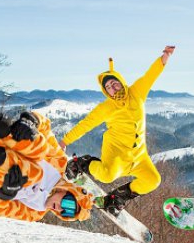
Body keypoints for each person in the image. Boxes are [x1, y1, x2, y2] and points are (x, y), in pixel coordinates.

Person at [0, 91, 93, 222]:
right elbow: (45, 128)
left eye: (67, 213)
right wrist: (31, 121)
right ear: (67, 191)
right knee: (40, 152)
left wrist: (7, 192)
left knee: (33, 173)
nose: (61, 209)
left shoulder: (35, 212)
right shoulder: (58, 164)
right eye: (68, 204)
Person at [59, 46, 175, 215]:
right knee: (106, 176)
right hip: (117, 155)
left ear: (121, 82)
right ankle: (83, 163)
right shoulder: (106, 108)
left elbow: (151, 76)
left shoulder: (137, 92)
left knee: (153, 180)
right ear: (106, 92)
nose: (113, 88)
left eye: (115, 83)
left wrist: (164, 57)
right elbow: (86, 124)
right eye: (108, 87)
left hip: (139, 156)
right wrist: (64, 141)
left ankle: (118, 197)